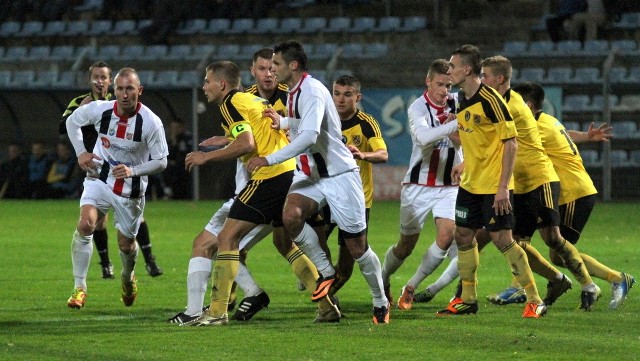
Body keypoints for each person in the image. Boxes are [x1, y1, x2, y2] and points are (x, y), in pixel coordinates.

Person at [169, 50, 339, 325]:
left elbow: (248, 144)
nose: (204, 86)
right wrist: (225, 140)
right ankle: (326, 306)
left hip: (269, 176)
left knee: (226, 238)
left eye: (207, 81)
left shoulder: (230, 102)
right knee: (285, 243)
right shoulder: (252, 99)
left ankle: (217, 311)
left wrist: (205, 157)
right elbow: (257, 134)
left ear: (221, 85)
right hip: (289, 174)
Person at [247, 40, 390, 324]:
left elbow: (311, 136)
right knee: (291, 216)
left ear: (293, 65)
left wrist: (269, 159)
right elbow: (310, 124)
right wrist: (285, 123)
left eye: (276, 64)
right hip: (313, 175)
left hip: (340, 176)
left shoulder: (311, 90)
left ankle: (380, 301)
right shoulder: (296, 91)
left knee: (357, 249)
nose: (272, 69)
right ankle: (325, 271)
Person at [479, 56, 601, 311]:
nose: (482, 81)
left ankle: (589, 285)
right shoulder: (501, 103)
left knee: (553, 239)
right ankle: (555, 279)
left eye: (485, 76)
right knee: (517, 242)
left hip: (541, 179)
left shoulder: (511, 106)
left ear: (499, 79)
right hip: (520, 184)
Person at [434, 45, 546, 318]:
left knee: (502, 239)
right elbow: (475, 136)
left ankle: (534, 299)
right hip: (471, 183)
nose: (449, 70)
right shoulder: (462, 97)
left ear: (467, 69)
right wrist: (462, 156)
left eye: (453, 65)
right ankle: (468, 300)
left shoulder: (492, 100)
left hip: (494, 185)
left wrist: (502, 188)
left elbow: (511, 144)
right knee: (462, 235)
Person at [511, 82, 634, 309]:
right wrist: (586, 137)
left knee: (557, 249)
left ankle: (616, 279)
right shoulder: (546, 120)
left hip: (573, 192)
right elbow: (565, 133)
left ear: (527, 105)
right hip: (574, 191)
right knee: (557, 251)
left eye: (515, 102)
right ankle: (610, 280)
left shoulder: (534, 127)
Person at [65, 67, 169, 309]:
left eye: (129, 89)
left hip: (130, 188)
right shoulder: (102, 110)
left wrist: (134, 170)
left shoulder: (151, 122)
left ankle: (127, 277)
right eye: (120, 89)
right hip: (99, 176)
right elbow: (72, 122)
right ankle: (79, 287)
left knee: (126, 244)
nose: (124, 94)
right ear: (114, 90)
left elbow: (161, 161)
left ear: (139, 91)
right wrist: (81, 153)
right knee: (85, 224)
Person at [380, 59, 461, 311]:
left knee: (447, 235)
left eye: (448, 85)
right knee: (405, 246)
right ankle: (383, 278)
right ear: (428, 81)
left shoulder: (458, 102)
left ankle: (411, 286)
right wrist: (457, 123)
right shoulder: (417, 108)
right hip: (418, 185)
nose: (444, 90)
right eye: (439, 84)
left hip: (449, 185)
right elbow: (424, 137)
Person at [324, 74, 388, 300]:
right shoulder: (324, 119)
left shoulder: (366, 123)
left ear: (358, 97)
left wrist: (363, 154)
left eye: (347, 94)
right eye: (337, 93)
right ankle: (321, 281)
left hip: (355, 200)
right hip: (327, 195)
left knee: (348, 264)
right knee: (310, 236)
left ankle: (327, 293)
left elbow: (383, 154)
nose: (340, 100)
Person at [164, 117, 193, 199]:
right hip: (173, 170)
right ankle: (167, 190)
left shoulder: (187, 138)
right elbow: (169, 156)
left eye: (177, 128)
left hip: (185, 168)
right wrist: (173, 142)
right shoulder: (170, 141)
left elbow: (185, 153)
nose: (175, 130)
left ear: (182, 127)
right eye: (173, 128)